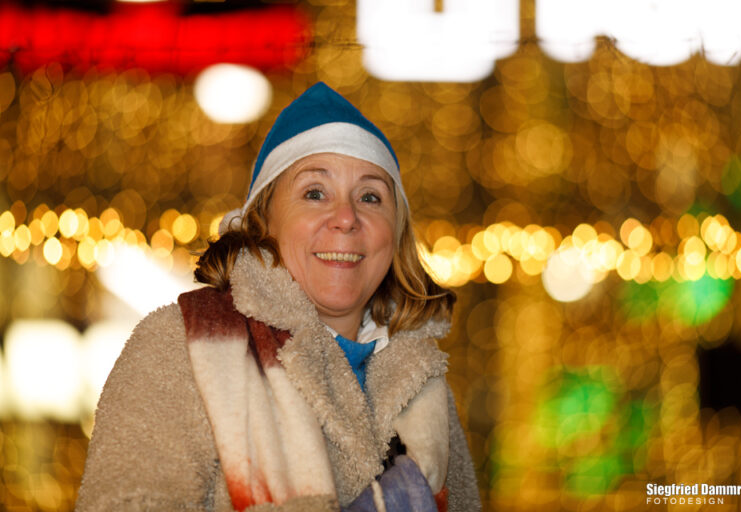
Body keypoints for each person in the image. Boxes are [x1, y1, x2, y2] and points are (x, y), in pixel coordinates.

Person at [76, 82, 481, 512]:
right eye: (314, 193)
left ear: (395, 234)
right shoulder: (183, 347)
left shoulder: (422, 382)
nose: (346, 217)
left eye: (370, 196)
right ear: (261, 221)